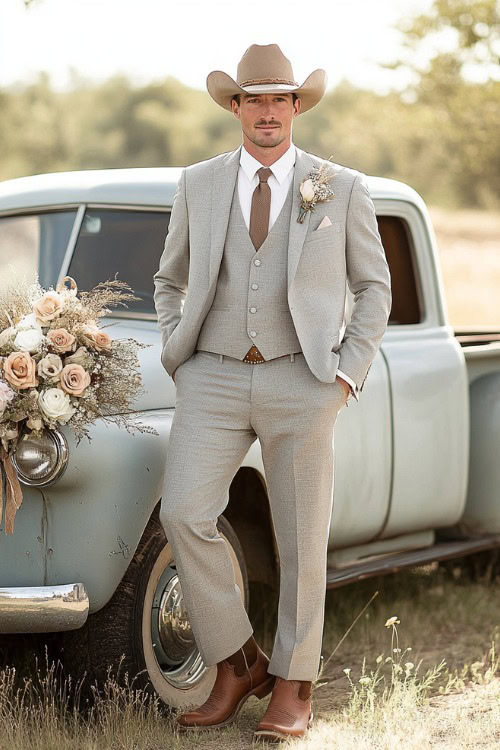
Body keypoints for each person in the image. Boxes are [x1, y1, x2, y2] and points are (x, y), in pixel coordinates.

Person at [153, 42, 392, 742]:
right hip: (213, 376)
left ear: (296, 106)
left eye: (278, 98)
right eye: (252, 98)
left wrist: (345, 374)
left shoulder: (339, 186)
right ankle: (237, 659)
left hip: (303, 378)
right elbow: (170, 279)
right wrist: (181, 354)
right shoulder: (197, 183)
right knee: (184, 513)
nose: (266, 111)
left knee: (300, 537)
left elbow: (373, 287)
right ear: (235, 106)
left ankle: (294, 681)